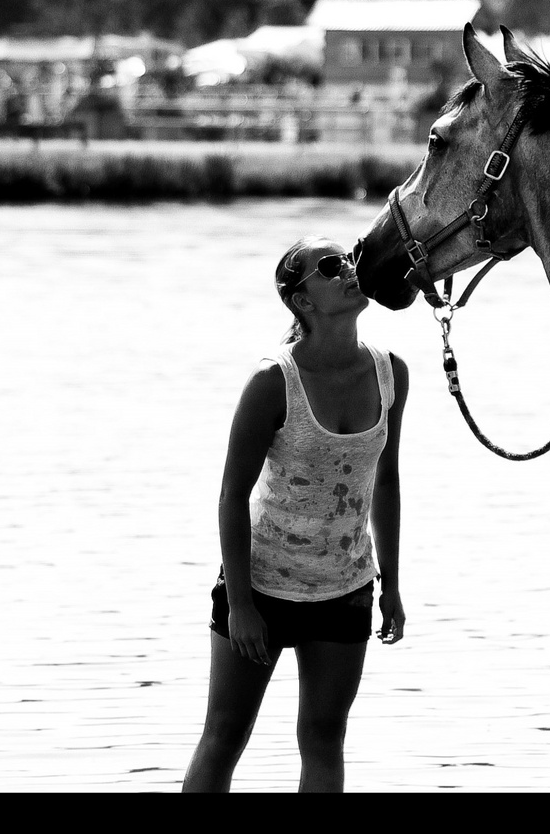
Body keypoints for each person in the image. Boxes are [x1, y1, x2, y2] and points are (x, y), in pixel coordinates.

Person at [183, 237, 409, 793]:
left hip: (345, 587)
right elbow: (232, 495)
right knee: (226, 735)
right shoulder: (271, 382)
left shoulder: (391, 373)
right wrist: (240, 605)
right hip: (259, 588)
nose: (350, 271)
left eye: (350, 259)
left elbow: (386, 478)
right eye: (331, 267)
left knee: (325, 737)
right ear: (301, 300)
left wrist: (392, 586)